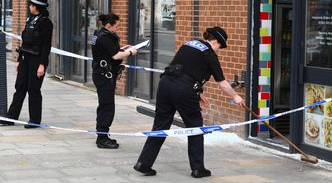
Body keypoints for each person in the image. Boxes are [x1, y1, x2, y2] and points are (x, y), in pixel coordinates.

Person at [134, 26, 245, 178]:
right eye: (220, 46)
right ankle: (198, 169)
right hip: (183, 90)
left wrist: (198, 92)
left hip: (165, 84)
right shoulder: (209, 54)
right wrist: (235, 97)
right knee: (195, 128)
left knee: (160, 126)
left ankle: (144, 163)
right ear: (216, 42)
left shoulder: (189, 44)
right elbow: (223, 83)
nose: (219, 49)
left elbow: (184, 69)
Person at [0, 0, 53, 128]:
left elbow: (46, 46)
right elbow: (25, 42)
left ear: (37, 7)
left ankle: (35, 120)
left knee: (33, 89)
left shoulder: (46, 23)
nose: (29, 6)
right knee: (20, 87)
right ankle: (11, 117)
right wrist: (19, 59)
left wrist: (42, 64)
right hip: (25, 58)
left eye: (31, 4)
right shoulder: (30, 19)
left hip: (37, 59)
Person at [91, 13, 137, 149]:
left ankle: (103, 135)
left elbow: (109, 51)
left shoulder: (99, 34)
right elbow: (116, 55)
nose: (117, 28)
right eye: (116, 26)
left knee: (105, 105)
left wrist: (124, 49)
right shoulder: (105, 37)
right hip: (104, 76)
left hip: (101, 74)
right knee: (107, 107)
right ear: (109, 25)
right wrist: (130, 52)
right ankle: (102, 138)